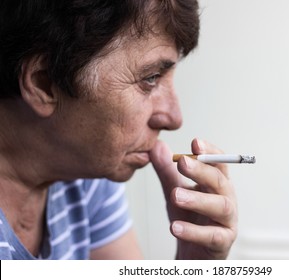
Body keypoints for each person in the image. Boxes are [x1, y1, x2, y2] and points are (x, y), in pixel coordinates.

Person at [0, 0, 237, 260]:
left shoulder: (84, 176)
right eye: (150, 78)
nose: (174, 118)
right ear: (44, 83)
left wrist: (195, 266)